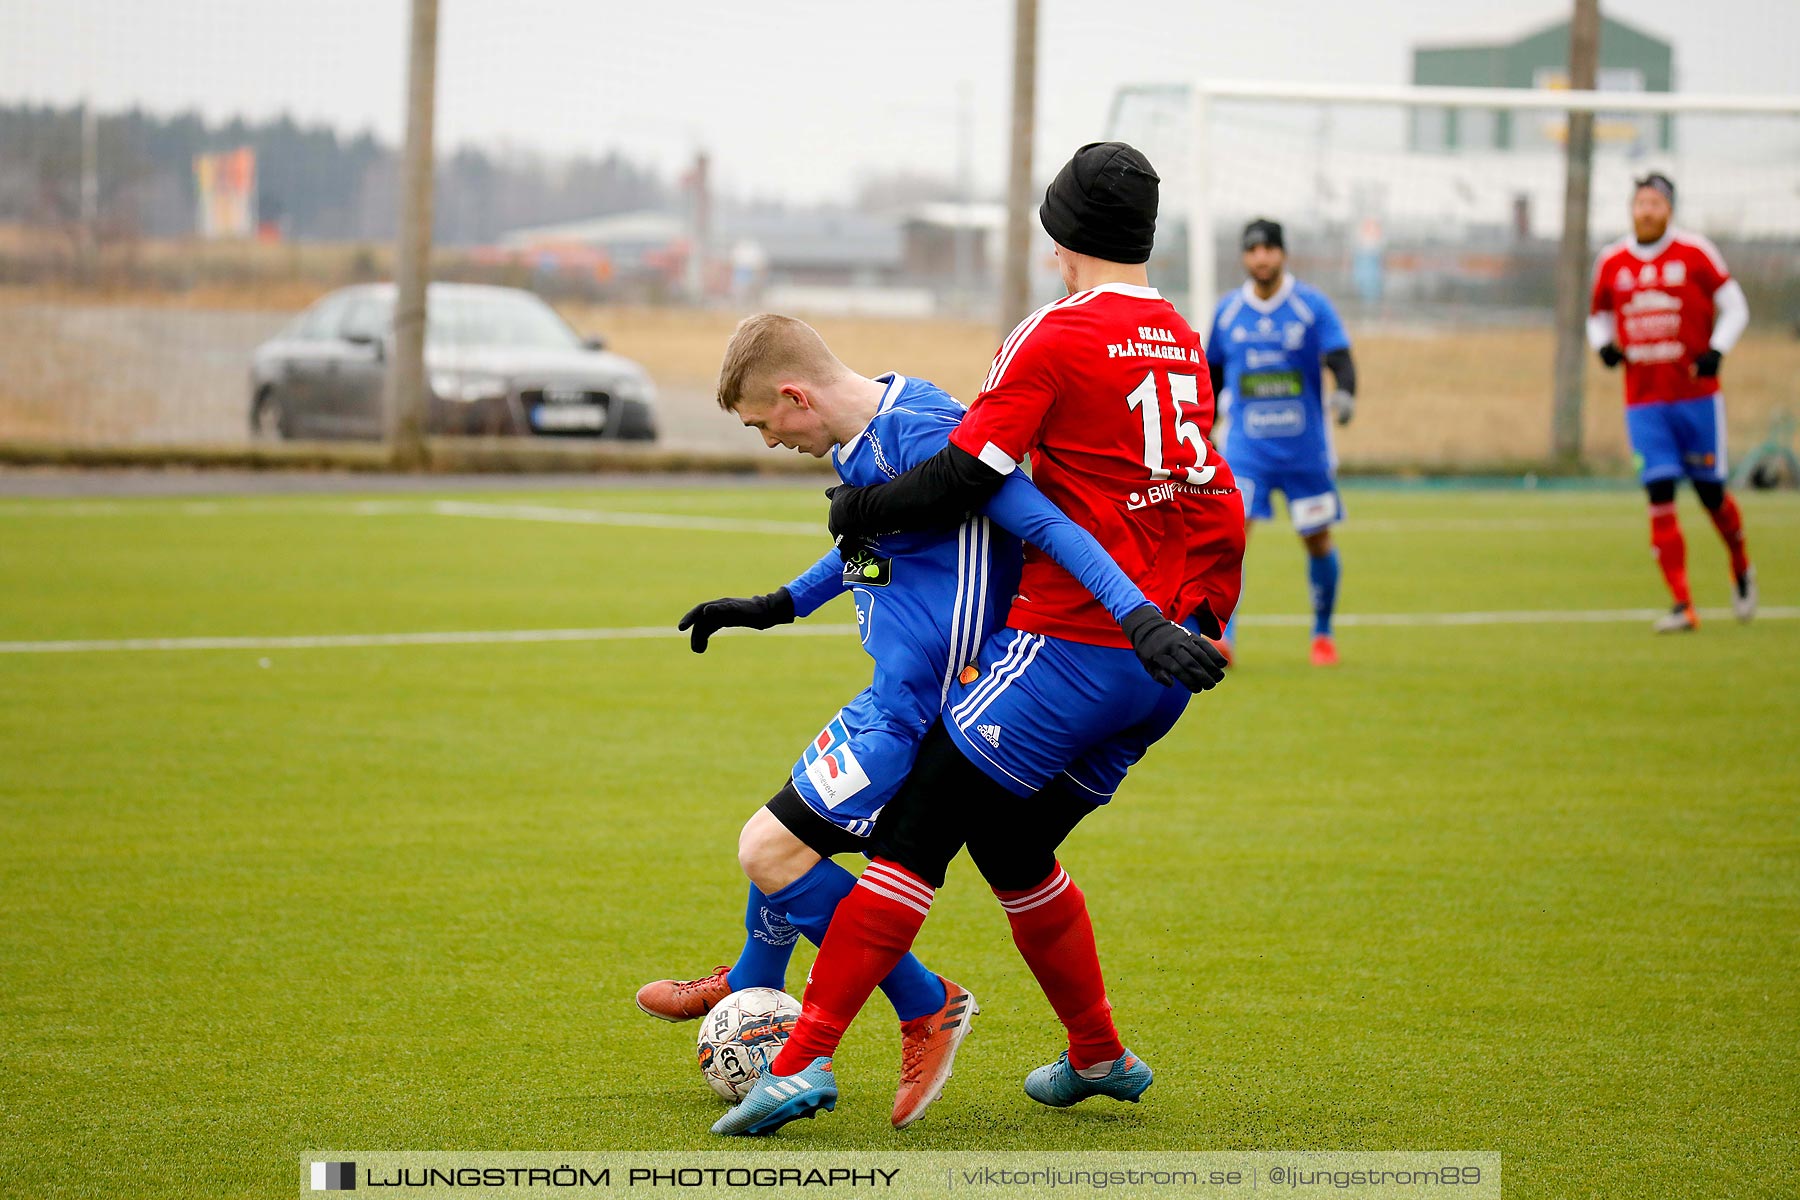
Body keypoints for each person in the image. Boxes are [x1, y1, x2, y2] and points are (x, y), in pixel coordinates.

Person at [713, 142, 1243, 1137]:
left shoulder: (1049, 335)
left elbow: (973, 477)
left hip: (1074, 643)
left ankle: (801, 1063)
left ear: (1059, 235)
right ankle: (1099, 1056)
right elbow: (1212, 499)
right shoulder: (1180, 337)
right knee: (1010, 844)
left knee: (915, 837)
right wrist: (1205, 617)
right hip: (1166, 660)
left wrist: (857, 507)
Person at [1588, 172, 1756, 633]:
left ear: (1669, 209)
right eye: (1639, 202)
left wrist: (1717, 350)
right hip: (1643, 402)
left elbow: (1736, 306)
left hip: (1695, 399)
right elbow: (1597, 314)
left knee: (1710, 495)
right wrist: (1603, 345)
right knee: (1659, 494)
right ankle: (1683, 605)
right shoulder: (1612, 259)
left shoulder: (1695, 252)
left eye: (1654, 204)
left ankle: (1740, 565)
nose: (1645, 211)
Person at [1206, 218, 1358, 667]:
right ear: (1244, 257)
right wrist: (1203, 426)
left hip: (1304, 452)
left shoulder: (1311, 306)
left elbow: (1340, 358)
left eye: (1269, 249)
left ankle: (1323, 634)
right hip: (1247, 451)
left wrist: (1346, 393)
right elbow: (1211, 376)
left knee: (1316, 540)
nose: (1262, 257)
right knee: (1231, 539)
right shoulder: (1230, 312)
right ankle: (1223, 638)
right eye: (1253, 250)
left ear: (1282, 254)